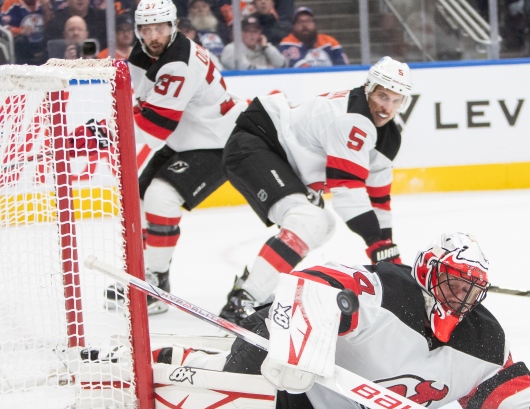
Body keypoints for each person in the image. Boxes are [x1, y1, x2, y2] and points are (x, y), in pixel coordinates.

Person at [172, 232, 530, 409]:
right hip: (276, 361)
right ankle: (180, 364)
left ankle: (193, 359)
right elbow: (314, 282)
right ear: (428, 274)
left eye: (471, 291)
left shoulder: (482, 341)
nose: (460, 300)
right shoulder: (389, 290)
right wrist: (305, 340)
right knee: (238, 396)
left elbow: (507, 407)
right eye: (453, 285)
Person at [217, 57, 411, 323]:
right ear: (368, 88)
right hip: (256, 145)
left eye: (395, 100)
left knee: (323, 224)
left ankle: (254, 292)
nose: (385, 107)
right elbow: (348, 192)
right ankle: (244, 300)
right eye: (381, 95)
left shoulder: (388, 136)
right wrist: (376, 244)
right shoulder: (354, 119)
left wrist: (388, 250)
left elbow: (379, 199)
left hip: (280, 158)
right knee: (309, 220)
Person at [104, 0, 245, 314]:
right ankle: (143, 277)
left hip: (217, 141)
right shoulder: (144, 52)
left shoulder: (179, 62)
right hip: (185, 137)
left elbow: (152, 128)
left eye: (160, 28)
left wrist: (105, 134)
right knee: (139, 197)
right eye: (147, 29)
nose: (154, 35)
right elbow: (138, 104)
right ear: (139, 31)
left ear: (174, 26)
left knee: (159, 199)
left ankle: (156, 285)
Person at [278, 6, 348, 67]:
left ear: (314, 23)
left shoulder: (329, 41)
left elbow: (343, 65)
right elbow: (297, 66)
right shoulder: (287, 42)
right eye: (300, 22)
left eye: (308, 21)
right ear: (294, 25)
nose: (304, 25)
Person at [219, 14, 284, 69]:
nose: (252, 35)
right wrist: (270, 69)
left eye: (255, 31)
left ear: (260, 34)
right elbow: (246, 69)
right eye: (248, 31)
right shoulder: (232, 49)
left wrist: (266, 47)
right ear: (241, 33)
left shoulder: (264, 48)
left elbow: (282, 65)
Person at [1, 0, 52, 65]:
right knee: (21, 40)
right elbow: (3, 26)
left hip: (40, 41)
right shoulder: (11, 2)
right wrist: (20, 31)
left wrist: (47, 10)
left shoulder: (43, 3)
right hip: (21, 44)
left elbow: (49, 25)